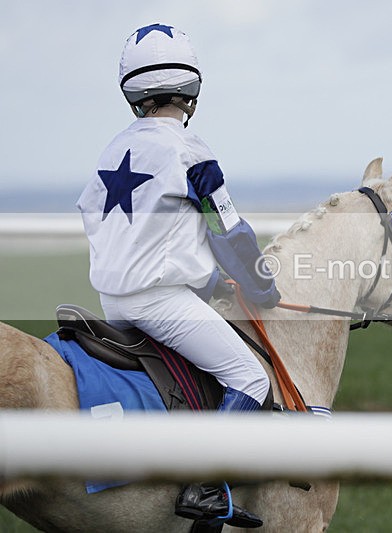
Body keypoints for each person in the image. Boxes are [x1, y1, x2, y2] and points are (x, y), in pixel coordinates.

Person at [76, 23, 279, 528]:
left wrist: (209, 284)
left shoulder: (111, 151)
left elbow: (135, 236)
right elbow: (228, 232)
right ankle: (205, 485)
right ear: (191, 90)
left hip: (111, 301)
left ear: (132, 91)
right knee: (250, 376)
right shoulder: (191, 151)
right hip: (158, 303)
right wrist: (260, 286)